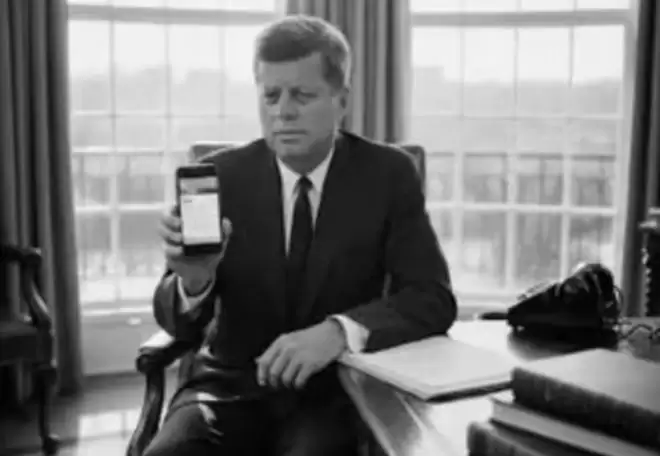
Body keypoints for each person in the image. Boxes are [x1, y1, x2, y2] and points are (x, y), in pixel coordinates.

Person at [145, 14, 457, 456]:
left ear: (341, 100)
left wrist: (338, 332)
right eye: (270, 95)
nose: (283, 111)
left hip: (333, 390)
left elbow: (432, 297)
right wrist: (193, 283)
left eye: (302, 95)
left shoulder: (388, 175)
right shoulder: (221, 176)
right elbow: (174, 321)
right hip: (226, 389)